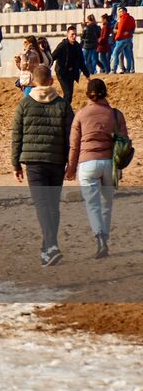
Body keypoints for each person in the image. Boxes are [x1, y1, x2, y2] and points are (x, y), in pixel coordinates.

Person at [11, 65, 74, 266]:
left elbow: (16, 136)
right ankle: (48, 249)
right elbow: (70, 138)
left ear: (33, 82)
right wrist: (71, 163)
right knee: (53, 205)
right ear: (52, 80)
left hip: (34, 162)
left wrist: (15, 164)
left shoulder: (25, 104)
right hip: (56, 161)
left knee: (42, 205)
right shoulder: (63, 105)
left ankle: (51, 246)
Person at [67, 78, 124, 258]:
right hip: (110, 163)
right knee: (107, 203)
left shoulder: (81, 114)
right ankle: (104, 237)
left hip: (87, 163)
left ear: (88, 94)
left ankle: (99, 237)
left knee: (93, 205)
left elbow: (74, 145)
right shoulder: (115, 115)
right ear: (105, 92)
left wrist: (71, 168)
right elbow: (124, 143)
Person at [52, 26, 86, 105]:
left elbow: (81, 62)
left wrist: (87, 75)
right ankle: (64, 110)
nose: (74, 36)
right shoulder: (62, 45)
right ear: (67, 35)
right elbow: (53, 56)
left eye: (75, 34)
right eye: (72, 34)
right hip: (61, 72)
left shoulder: (77, 46)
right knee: (67, 92)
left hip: (71, 73)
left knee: (69, 94)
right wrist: (46, 69)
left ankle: (65, 109)